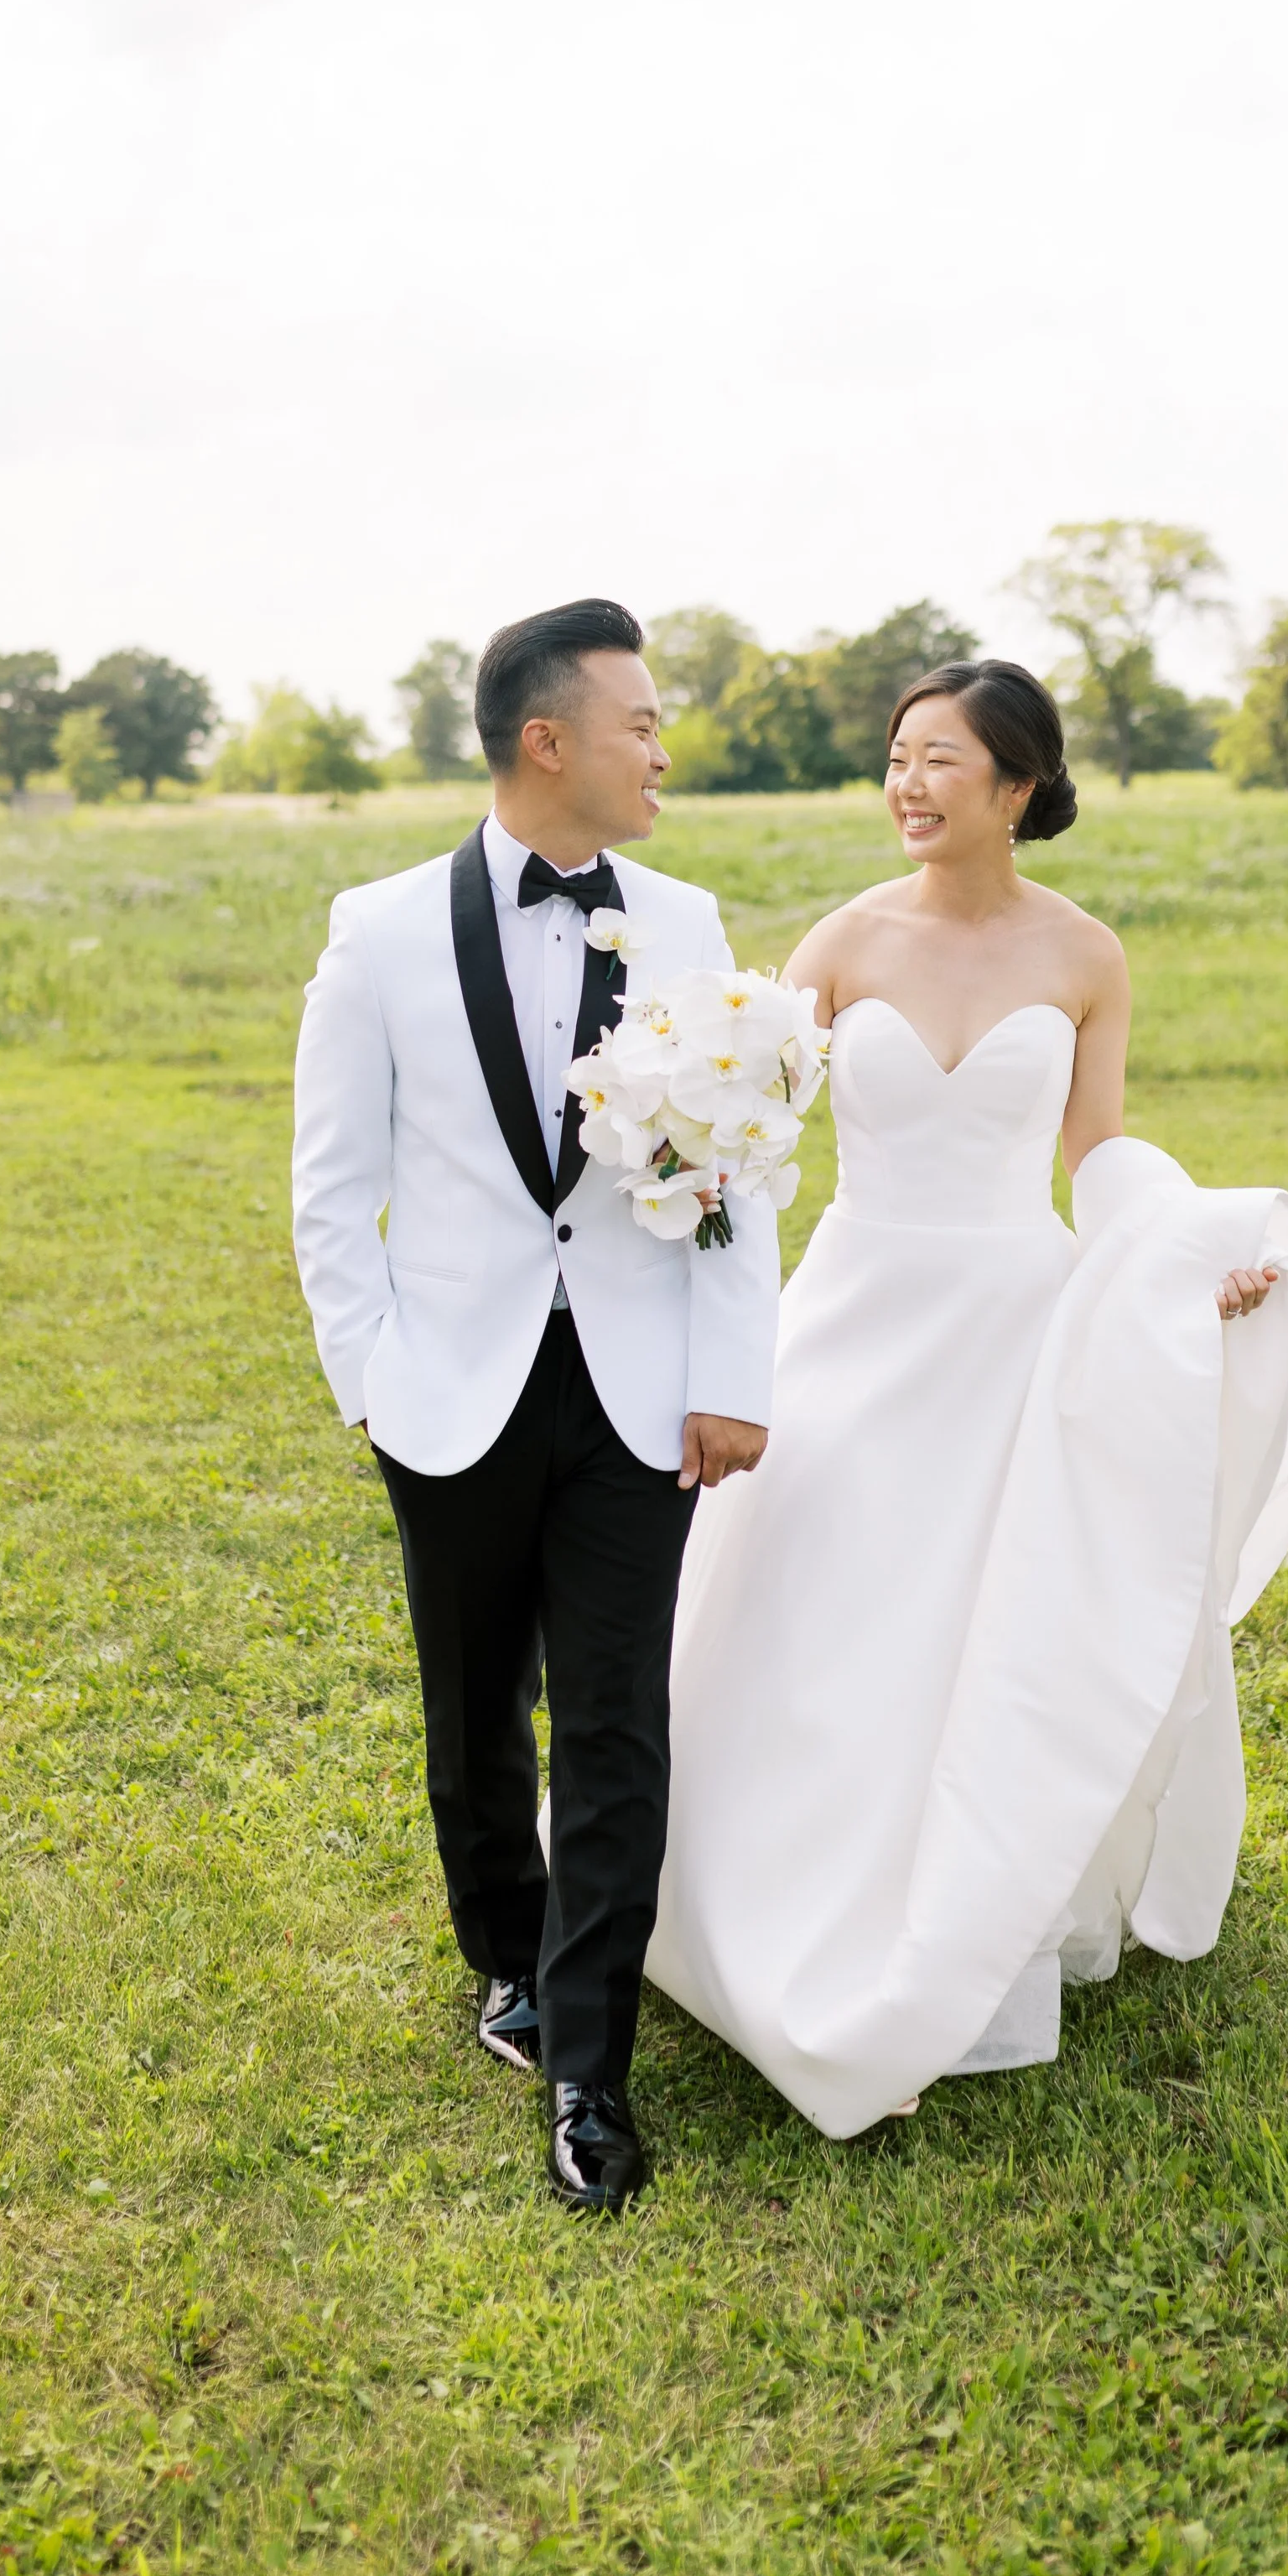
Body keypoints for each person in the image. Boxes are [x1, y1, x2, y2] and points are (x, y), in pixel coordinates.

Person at [646, 659, 1288, 2137]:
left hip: (1012, 1321)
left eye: (940, 759)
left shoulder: (1086, 955)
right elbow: (741, 1144)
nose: (907, 784)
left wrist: (1178, 1262)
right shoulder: (839, 940)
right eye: (897, 757)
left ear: (1018, 787)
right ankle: (765, 1907)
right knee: (816, 1605)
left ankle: (949, 1918)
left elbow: (1097, 1155)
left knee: (973, 1620)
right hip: (854, 1315)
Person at [292, 597, 779, 2212]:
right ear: (545, 741)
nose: (663, 749)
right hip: (449, 1385)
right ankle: (504, 1959)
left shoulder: (690, 924)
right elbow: (332, 1188)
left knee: (619, 1721)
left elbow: (735, 1174)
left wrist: (729, 1377)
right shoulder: (374, 931)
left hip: (641, 1398)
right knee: (473, 1712)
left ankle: (590, 2068)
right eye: (640, 722)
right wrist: (370, 1373)